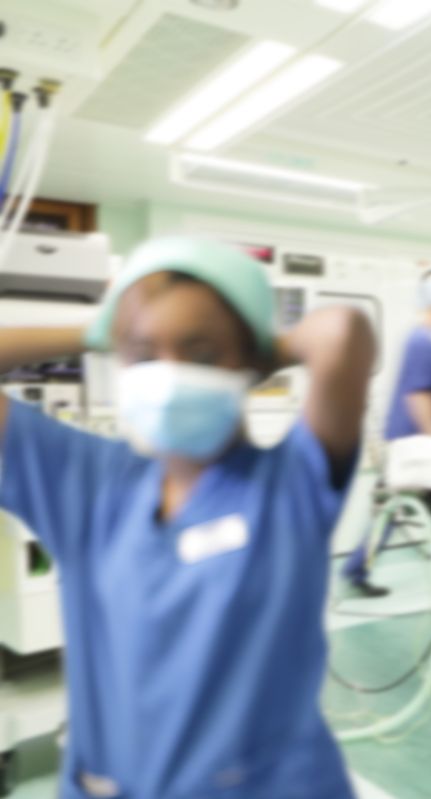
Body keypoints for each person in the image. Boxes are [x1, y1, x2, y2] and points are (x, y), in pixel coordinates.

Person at [0, 236, 375, 798]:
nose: (169, 375)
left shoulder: (288, 485)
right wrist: (99, 329)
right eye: (145, 353)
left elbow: (343, 332)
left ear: (248, 358)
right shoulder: (85, 484)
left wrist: (260, 348)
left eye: (200, 353)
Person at [342, 269, 431, 597]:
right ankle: (355, 571)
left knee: (415, 507)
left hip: (417, 439)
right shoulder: (422, 342)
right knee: (398, 509)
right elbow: (419, 396)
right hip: (413, 443)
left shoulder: (425, 341)